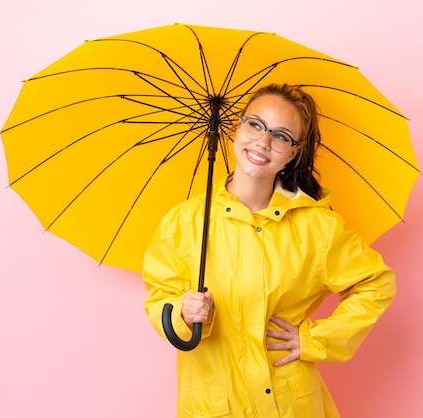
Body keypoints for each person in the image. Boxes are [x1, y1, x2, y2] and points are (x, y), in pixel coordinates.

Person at [142, 84, 396, 418]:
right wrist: (182, 313)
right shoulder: (185, 222)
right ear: (237, 128)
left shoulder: (316, 227)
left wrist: (314, 338)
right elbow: (161, 295)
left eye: (280, 136)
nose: (262, 142)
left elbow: (375, 284)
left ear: (293, 152)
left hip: (290, 406)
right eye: (255, 125)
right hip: (214, 406)